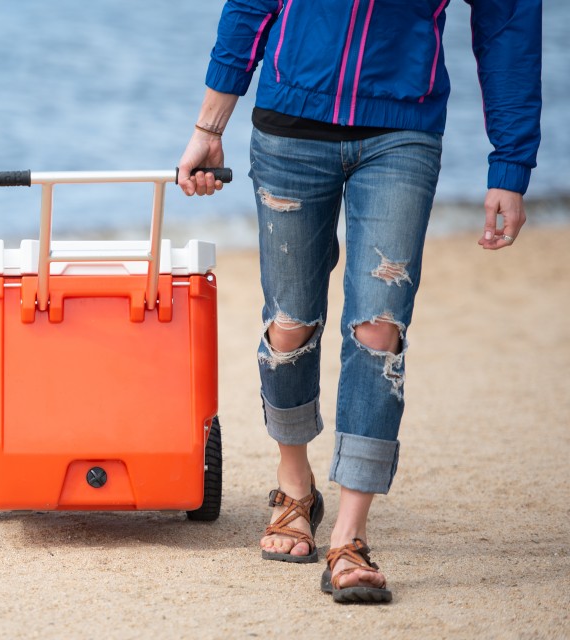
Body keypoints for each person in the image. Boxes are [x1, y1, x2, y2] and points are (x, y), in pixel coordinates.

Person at [177, 0, 541, 604]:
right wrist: (209, 127)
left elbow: (509, 23)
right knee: (289, 325)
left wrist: (510, 163)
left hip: (402, 133)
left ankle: (351, 537)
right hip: (291, 125)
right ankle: (295, 486)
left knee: (379, 330)